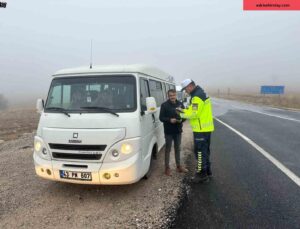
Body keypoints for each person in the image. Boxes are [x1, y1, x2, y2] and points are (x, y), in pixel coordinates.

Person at [177, 79, 214, 183]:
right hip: (205, 128)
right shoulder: (200, 93)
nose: (185, 91)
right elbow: (194, 110)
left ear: (190, 86)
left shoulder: (196, 97)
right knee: (205, 151)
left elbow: (194, 114)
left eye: (185, 89)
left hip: (200, 129)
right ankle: (208, 171)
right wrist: (183, 110)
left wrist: (180, 114)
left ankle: (201, 174)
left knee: (199, 152)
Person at [159, 89, 188, 176]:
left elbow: (185, 116)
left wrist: (180, 120)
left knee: (177, 148)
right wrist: (169, 120)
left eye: (174, 95)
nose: (172, 97)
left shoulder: (180, 104)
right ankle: (167, 168)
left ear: (176, 95)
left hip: (178, 130)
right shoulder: (164, 105)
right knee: (168, 149)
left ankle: (178, 166)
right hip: (168, 131)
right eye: (171, 95)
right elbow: (161, 118)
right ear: (168, 96)